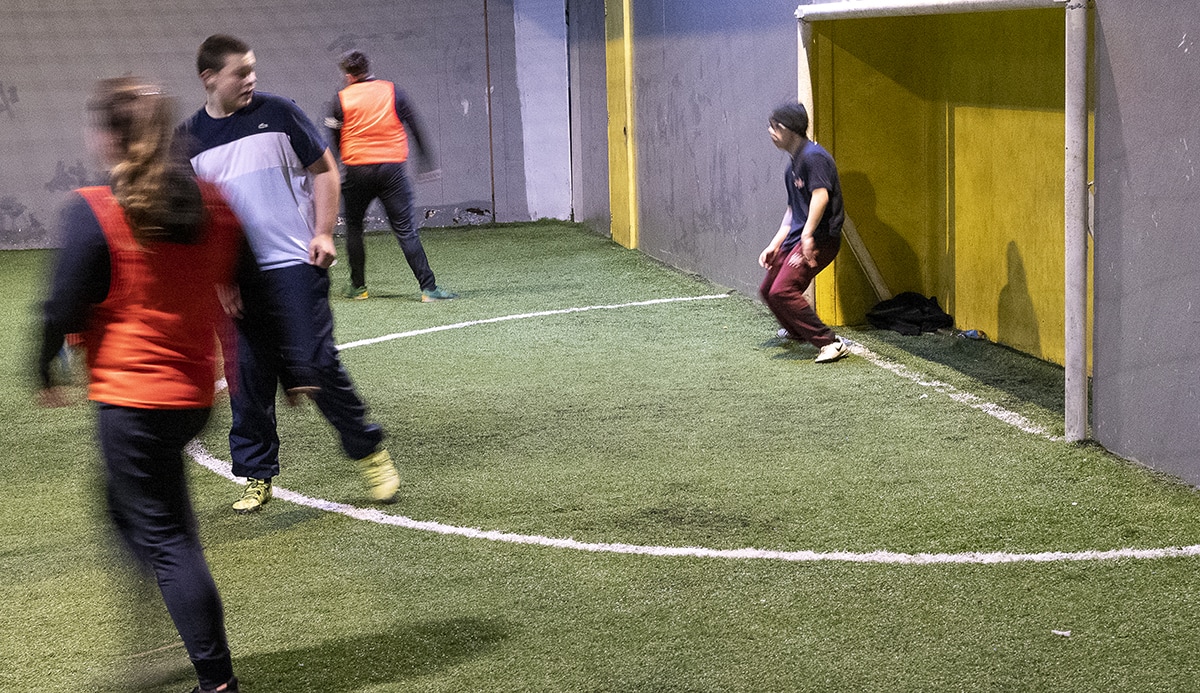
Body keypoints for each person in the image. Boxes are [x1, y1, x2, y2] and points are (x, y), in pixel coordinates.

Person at [37, 77, 241, 693]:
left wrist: (43, 366)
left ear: (108, 138)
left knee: (168, 538)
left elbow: (59, 307)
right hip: (190, 398)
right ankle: (163, 607)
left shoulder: (96, 209)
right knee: (133, 510)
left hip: (134, 401)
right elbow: (247, 282)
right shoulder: (210, 202)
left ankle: (216, 679)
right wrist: (291, 365)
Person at [180, 34, 400, 514]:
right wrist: (219, 277)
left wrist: (323, 232)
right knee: (248, 378)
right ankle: (257, 476)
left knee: (318, 366)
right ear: (209, 78)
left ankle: (369, 451)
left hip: (296, 265)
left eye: (253, 69)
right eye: (241, 73)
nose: (251, 79)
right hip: (238, 280)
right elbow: (197, 220)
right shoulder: (189, 140)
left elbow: (324, 171)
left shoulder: (279, 113)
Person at [327, 49, 457, 302]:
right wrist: (426, 162)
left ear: (348, 75)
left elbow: (333, 135)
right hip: (392, 172)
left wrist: (342, 159)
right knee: (406, 230)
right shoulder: (392, 91)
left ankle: (358, 288)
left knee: (354, 228)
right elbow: (414, 124)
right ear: (369, 68)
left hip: (357, 171)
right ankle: (428, 289)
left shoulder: (340, 99)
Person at [758, 102, 850, 364]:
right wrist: (775, 244)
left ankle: (830, 342)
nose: (770, 132)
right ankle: (798, 331)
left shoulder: (814, 157)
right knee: (768, 289)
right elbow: (792, 211)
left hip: (820, 238)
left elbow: (820, 196)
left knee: (783, 290)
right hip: (798, 238)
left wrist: (808, 235)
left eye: (774, 127)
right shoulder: (793, 166)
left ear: (787, 129)